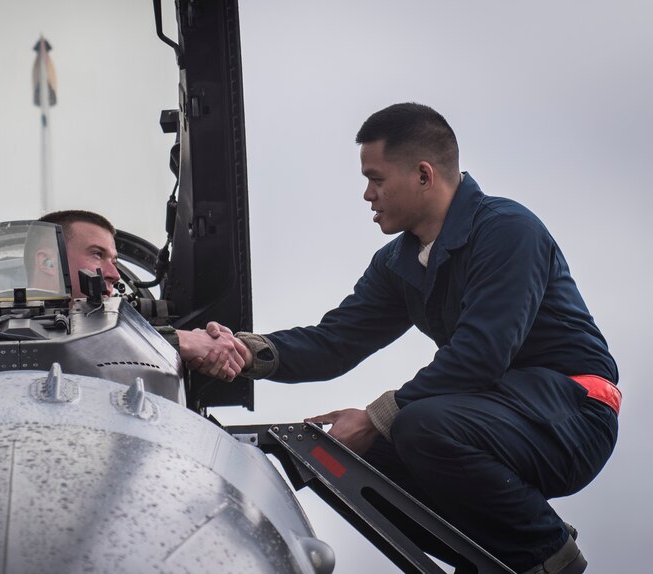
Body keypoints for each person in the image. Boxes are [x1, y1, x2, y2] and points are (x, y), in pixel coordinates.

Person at [185, 103, 619, 574]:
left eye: (376, 179)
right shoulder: (398, 263)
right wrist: (245, 351)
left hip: (574, 410)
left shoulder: (508, 230)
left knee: (420, 424)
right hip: (495, 410)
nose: (367, 195)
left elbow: (481, 355)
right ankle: (492, 561)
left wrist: (376, 415)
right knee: (340, 456)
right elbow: (335, 342)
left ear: (424, 175)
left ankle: (549, 555)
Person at [38, 210, 249, 380]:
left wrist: (240, 350)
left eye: (114, 262)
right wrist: (181, 341)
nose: (113, 275)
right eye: (97, 254)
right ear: (48, 262)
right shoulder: (9, 333)